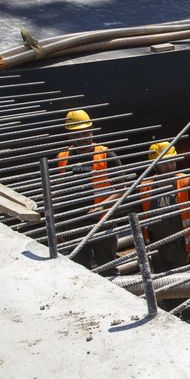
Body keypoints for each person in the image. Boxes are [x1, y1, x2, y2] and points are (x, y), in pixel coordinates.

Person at [56, 109, 122, 275]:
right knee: (79, 270)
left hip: (100, 222)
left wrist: (103, 206)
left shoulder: (105, 154)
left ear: (91, 132)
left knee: (107, 269)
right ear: (69, 137)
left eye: (86, 134)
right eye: (77, 135)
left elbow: (122, 188)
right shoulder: (63, 157)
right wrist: (57, 224)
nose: (82, 139)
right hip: (74, 223)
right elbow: (59, 192)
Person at [137, 142, 190, 271]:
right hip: (158, 250)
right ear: (155, 165)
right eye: (164, 163)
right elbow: (140, 222)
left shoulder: (188, 184)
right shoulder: (144, 188)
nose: (170, 166)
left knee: (188, 286)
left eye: (172, 161)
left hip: (184, 250)